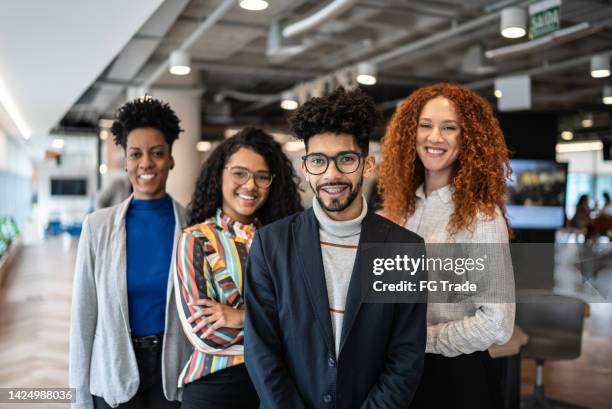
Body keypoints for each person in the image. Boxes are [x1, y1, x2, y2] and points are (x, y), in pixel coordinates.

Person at [244, 87, 427, 409]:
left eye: (345, 159)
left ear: (367, 165)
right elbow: (261, 350)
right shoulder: (271, 244)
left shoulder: (405, 249)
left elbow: (405, 355)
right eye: (318, 161)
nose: (332, 174)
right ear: (305, 168)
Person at [378, 82, 515, 409]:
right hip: (400, 375)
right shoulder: (397, 210)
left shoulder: (481, 218)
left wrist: (421, 340)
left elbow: (497, 323)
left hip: (457, 378)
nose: (434, 137)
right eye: (425, 125)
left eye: (449, 128)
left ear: (468, 139)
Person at [69, 97, 191, 409]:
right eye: (135, 154)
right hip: (114, 369)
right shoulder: (97, 227)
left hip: (174, 375)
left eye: (157, 153)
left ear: (171, 159)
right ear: (125, 161)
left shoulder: (193, 227)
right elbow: (83, 319)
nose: (146, 163)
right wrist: (79, 399)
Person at [174, 127, 303, 409]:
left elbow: (305, 319)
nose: (250, 185)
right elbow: (205, 335)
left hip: (277, 386)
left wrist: (240, 317)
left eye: (261, 176)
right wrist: (276, 325)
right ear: (220, 173)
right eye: (239, 173)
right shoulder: (196, 239)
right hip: (216, 387)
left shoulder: (284, 240)